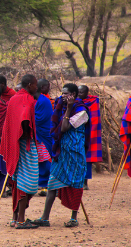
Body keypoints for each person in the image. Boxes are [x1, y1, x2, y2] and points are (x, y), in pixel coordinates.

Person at [35, 83, 88, 227]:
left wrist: (69, 108)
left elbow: (64, 128)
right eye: (62, 93)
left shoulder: (81, 111)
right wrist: (66, 108)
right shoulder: (60, 107)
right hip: (61, 152)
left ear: (74, 95)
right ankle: (45, 217)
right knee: (52, 183)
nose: (63, 96)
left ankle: (73, 218)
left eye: (66, 94)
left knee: (75, 184)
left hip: (75, 153)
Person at [1, 74, 41, 229]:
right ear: (29, 84)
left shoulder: (14, 98)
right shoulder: (27, 99)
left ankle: (15, 218)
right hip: (25, 144)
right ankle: (21, 221)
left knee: (18, 181)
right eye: (35, 85)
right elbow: (25, 118)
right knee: (28, 182)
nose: (36, 88)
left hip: (14, 146)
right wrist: (26, 133)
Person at [78, 85, 103, 190]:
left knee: (87, 158)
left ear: (87, 93)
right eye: (78, 92)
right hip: (78, 132)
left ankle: (85, 182)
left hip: (90, 132)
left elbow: (94, 120)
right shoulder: (75, 103)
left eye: (81, 92)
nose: (79, 94)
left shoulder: (92, 102)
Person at [35, 81, 55, 197]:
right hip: (37, 135)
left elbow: (40, 118)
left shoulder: (44, 101)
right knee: (40, 160)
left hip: (44, 134)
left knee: (46, 159)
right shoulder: (35, 100)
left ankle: (47, 185)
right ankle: (40, 184)